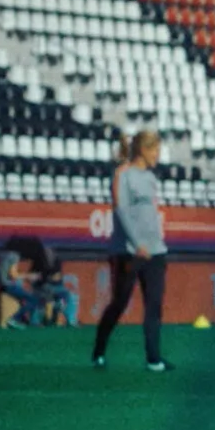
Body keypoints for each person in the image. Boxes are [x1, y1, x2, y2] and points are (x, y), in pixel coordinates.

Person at [92, 130, 169, 371]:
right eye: (155, 149)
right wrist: (138, 244)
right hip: (128, 251)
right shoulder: (122, 175)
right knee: (119, 303)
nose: (158, 155)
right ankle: (99, 350)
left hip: (156, 252)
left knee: (154, 305)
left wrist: (158, 241)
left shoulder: (151, 178)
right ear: (143, 150)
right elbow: (122, 211)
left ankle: (153, 358)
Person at [0, 247, 41, 328]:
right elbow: (13, 275)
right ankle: (14, 319)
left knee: (24, 297)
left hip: (2, 285)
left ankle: (23, 320)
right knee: (34, 299)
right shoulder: (14, 256)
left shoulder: (6, 255)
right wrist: (29, 276)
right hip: (8, 285)